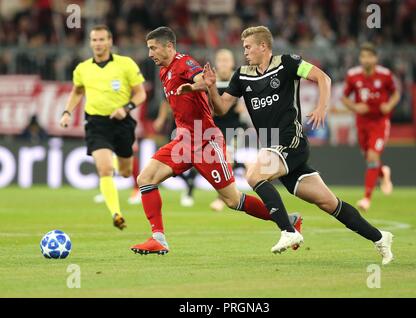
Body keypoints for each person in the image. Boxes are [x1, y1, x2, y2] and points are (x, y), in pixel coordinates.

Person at [202, 26, 394, 264]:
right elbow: (221, 108)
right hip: (273, 148)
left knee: (253, 174)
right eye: (243, 47)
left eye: (248, 46)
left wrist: (322, 106)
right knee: (328, 203)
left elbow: (323, 77)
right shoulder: (241, 75)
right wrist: (211, 87)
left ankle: (289, 230)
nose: (245, 51)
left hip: (291, 141)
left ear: (263, 46)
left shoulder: (288, 64)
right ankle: (380, 237)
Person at [130, 26, 303, 256]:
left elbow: (203, 79)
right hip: (183, 140)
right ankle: (158, 238)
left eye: (153, 48)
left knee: (232, 200)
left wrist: (195, 85)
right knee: (145, 178)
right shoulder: (164, 71)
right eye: (148, 48)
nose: (150, 53)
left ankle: (289, 221)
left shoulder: (185, 63)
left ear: (169, 47)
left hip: (205, 140)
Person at [60, 25, 147, 230]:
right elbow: (77, 92)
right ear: (90, 43)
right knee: (105, 169)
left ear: (110, 41)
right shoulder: (82, 69)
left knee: (125, 172)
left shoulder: (125, 64)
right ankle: (116, 214)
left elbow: (140, 94)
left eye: (101, 40)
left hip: (122, 122)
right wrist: (66, 112)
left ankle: (116, 161)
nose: (97, 44)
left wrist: (126, 108)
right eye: (94, 40)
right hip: (96, 123)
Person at [341, 42, 400, 212]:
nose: (366, 59)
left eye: (369, 56)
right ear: (360, 58)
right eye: (363, 56)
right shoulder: (353, 75)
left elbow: (396, 93)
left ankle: (366, 198)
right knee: (369, 158)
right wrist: (355, 107)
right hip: (362, 122)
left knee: (373, 157)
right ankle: (383, 172)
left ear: (375, 58)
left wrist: (389, 105)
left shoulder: (385, 75)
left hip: (380, 122)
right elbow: (344, 97)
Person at [209, 48, 250, 212]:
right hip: (214, 128)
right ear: (216, 64)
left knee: (227, 160)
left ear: (233, 63)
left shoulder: (239, 79)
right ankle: (243, 166)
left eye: (227, 60)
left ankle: (220, 199)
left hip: (235, 127)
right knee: (218, 163)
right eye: (221, 60)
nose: (224, 63)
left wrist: (242, 105)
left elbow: (245, 104)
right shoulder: (211, 81)